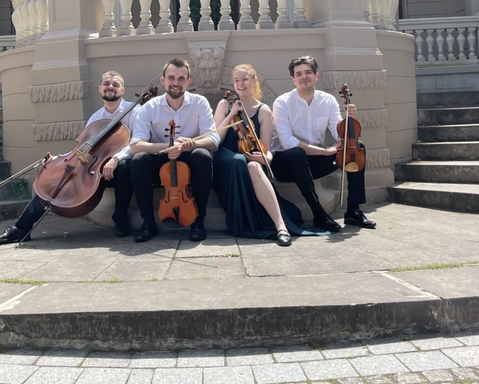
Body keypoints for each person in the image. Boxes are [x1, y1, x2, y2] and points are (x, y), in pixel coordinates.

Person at [0, 71, 138, 244]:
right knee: (55, 180)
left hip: (118, 169)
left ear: (122, 89)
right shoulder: (96, 117)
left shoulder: (134, 112)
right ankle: (21, 228)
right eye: (106, 83)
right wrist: (58, 159)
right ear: (100, 88)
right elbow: (82, 148)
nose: (110, 87)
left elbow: (136, 142)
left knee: (125, 166)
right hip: (94, 170)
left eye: (115, 84)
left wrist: (116, 158)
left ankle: (121, 218)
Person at [213, 64, 329, 247]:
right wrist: (232, 114)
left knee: (251, 165)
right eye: (236, 80)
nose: (240, 84)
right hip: (226, 157)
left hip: (250, 157)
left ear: (254, 81)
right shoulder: (224, 104)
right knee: (238, 160)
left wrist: (265, 159)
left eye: (245, 79)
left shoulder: (264, 110)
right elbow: (216, 137)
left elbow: (266, 148)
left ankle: (280, 226)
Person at [271, 55, 376, 233]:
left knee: (358, 147)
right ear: (293, 79)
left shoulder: (327, 100)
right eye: (299, 74)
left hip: (314, 161)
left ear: (316, 75)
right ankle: (319, 215)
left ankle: (353, 210)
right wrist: (324, 152)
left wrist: (348, 121)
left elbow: (338, 133)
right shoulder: (282, 102)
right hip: (285, 164)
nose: (304, 77)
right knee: (296, 153)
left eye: (308, 72)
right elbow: (288, 143)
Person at [129, 57, 219, 243]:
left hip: (188, 156)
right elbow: (135, 145)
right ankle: (148, 223)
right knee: (139, 160)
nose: (175, 83)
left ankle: (198, 221)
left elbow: (213, 139)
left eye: (180, 79)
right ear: (163, 81)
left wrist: (192, 144)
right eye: (171, 78)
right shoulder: (150, 107)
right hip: (161, 157)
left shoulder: (199, 103)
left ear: (188, 81)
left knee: (202, 155)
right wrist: (166, 147)